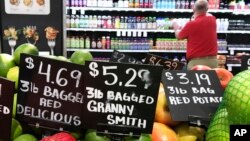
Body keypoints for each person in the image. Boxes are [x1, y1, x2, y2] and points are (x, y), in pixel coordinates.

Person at [173, 0, 218, 70]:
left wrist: (176, 28)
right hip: (213, 61)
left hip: (196, 62)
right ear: (207, 9)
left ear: (193, 9)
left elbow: (179, 36)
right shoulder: (213, 20)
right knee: (211, 80)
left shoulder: (191, 24)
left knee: (194, 80)